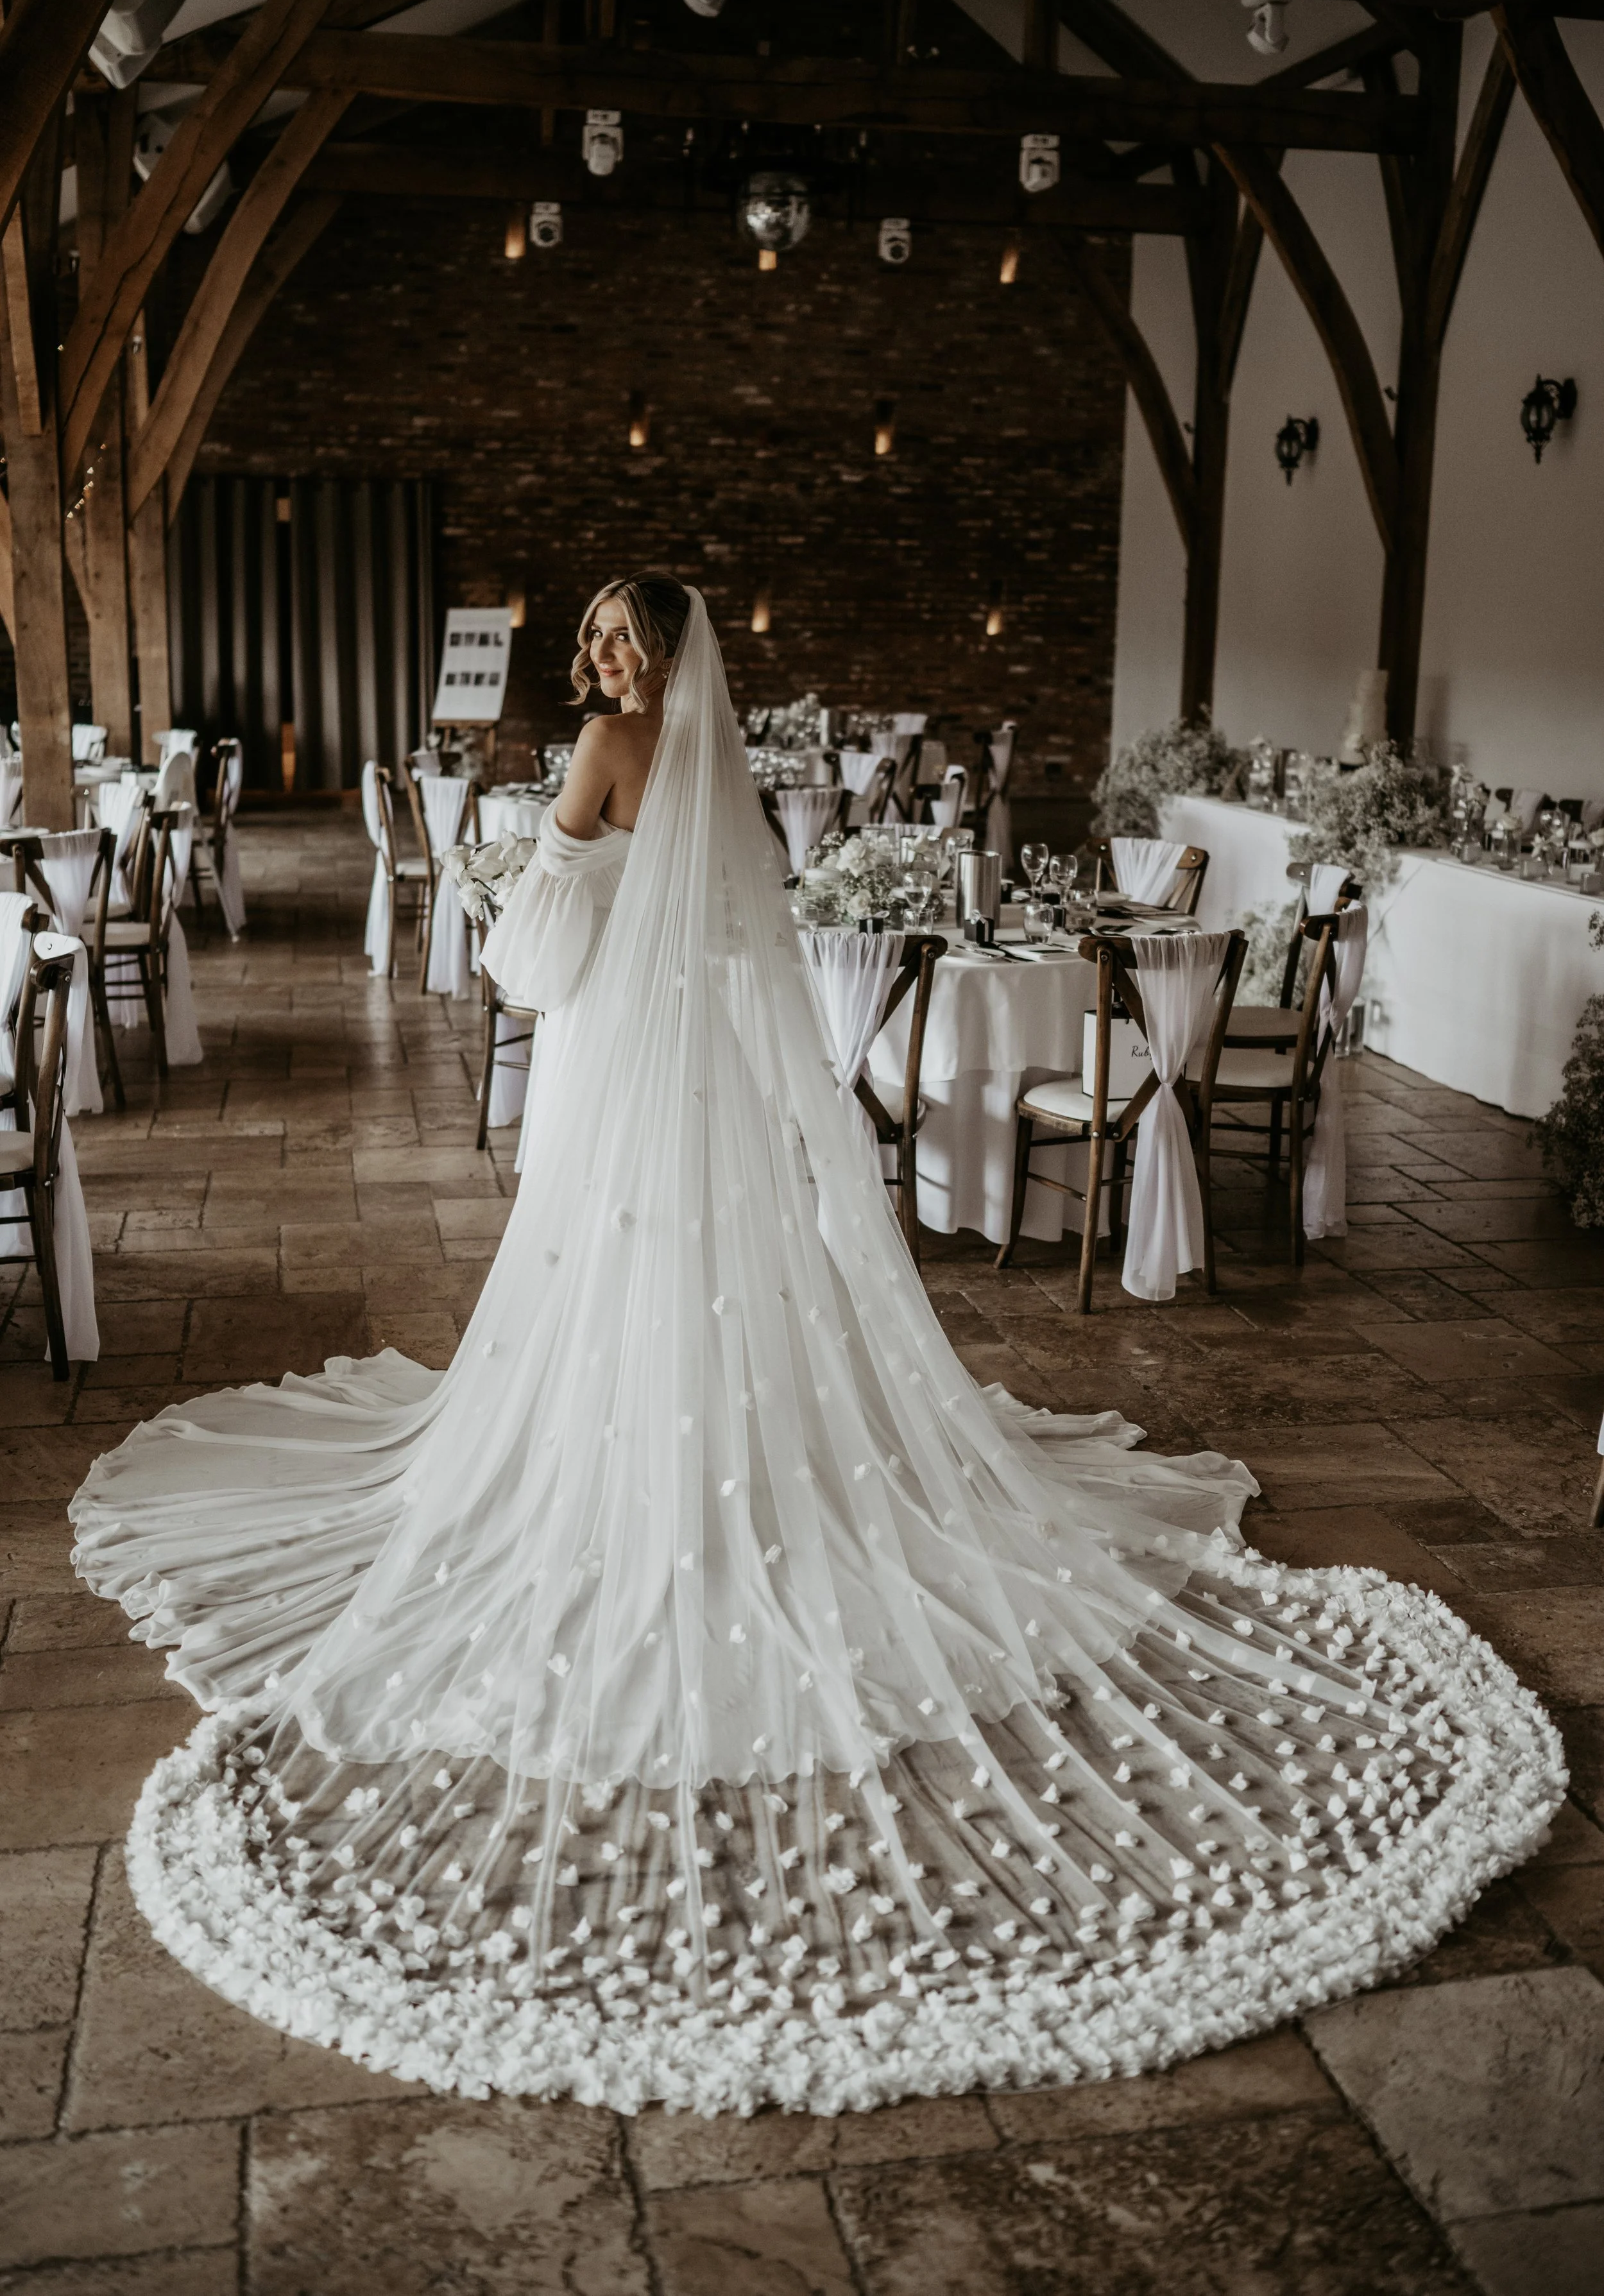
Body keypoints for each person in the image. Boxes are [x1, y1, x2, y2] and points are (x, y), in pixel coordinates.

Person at [71, 576, 1563, 2116]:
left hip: (615, 1072)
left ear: (642, 657)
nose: (589, 660)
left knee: (621, 1269)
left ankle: (642, 1475)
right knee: (717, 1272)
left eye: (604, 641)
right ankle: (735, 1455)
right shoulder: (725, 773)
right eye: (588, 642)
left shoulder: (602, 746)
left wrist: (535, 879)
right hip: (705, 1067)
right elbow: (751, 928)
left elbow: (528, 962)